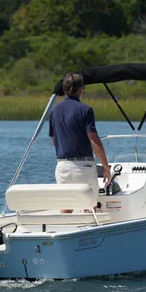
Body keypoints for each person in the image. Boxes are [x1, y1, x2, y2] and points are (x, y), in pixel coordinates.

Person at [48, 73, 111, 211]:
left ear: (65, 89)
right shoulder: (86, 110)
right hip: (83, 167)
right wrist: (106, 167)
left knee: (66, 206)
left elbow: (54, 141)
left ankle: (65, 229)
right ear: (80, 89)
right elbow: (94, 141)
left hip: (62, 166)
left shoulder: (53, 111)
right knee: (91, 206)